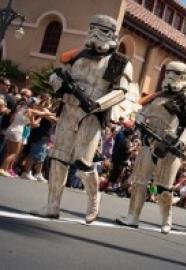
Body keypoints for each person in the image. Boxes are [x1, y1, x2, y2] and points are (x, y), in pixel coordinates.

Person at [30, 14, 135, 224]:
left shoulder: (118, 62)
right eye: (92, 28)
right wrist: (58, 83)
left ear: (112, 35)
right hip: (68, 111)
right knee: (59, 158)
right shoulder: (79, 55)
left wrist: (97, 104)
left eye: (102, 30)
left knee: (84, 164)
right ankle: (52, 205)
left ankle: (94, 200)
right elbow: (57, 75)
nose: (95, 34)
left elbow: (121, 91)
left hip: (91, 117)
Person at [116, 61, 186, 234]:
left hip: (169, 147)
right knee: (139, 182)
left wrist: (181, 142)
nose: (170, 76)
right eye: (168, 72)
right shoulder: (157, 96)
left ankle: (166, 219)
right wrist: (139, 122)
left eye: (176, 73)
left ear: (184, 77)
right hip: (149, 143)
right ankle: (133, 216)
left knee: (163, 188)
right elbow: (141, 113)